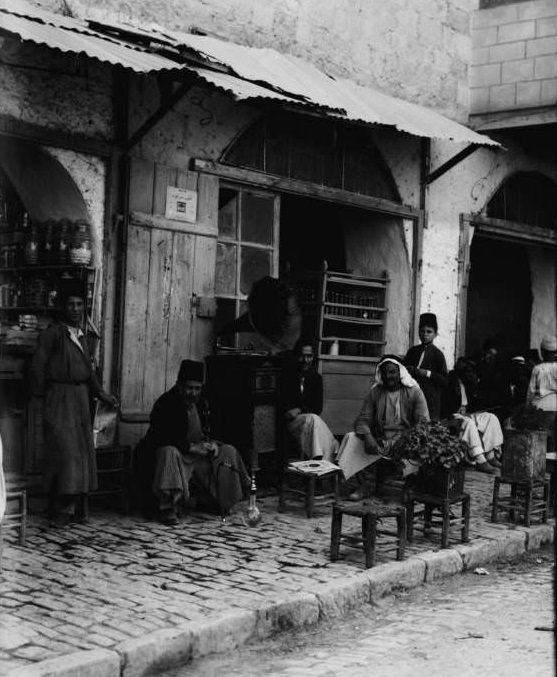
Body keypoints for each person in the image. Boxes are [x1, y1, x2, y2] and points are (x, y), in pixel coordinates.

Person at [29, 282, 117, 526]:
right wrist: (40, 397)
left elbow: (89, 374)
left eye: (79, 304)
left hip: (80, 400)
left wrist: (102, 394)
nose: (75, 309)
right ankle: (61, 507)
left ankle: (78, 507)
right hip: (59, 397)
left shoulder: (84, 337)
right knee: (65, 453)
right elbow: (37, 366)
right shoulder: (53, 334)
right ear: (62, 306)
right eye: (70, 304)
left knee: (81, 454)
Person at [134, 360, 250, 525]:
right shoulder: (165, 403)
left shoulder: (203, 403)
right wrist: (192, 447)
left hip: (196, 456)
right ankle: (168, 507)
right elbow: (161, 437)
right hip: (174, 456)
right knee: (169, 452)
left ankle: (219, 501)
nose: (193, 393)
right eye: (189, 388)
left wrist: (212, 444)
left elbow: (212, 430)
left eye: (197, 389)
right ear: (179, 385)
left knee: (227, 451)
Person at [337, 355, 429, 498]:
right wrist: (368, 437)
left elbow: (422, 423)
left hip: (404, 441)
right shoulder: (375, 392)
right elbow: (363, 419)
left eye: (392, 372)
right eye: (385, 372)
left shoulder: (415, 392)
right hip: (380, 441)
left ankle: (410, 487)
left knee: (422, 444)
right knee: (351, 438)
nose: (388, 376)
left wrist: (402, 439)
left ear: (400, 372)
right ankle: (365, 486)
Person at [281, 341, 338, 462]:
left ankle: (317, 458)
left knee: (312, 419)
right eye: (302, 356)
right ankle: (331, 449)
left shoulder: (316, 378)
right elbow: (280, 401)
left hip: (308, 422)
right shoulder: (286, 376)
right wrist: (289, 411)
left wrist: (300, 409)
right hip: (291, 422)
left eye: (309, 356)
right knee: (314, 420)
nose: (305, 360)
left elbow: (317, 407)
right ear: (296, 356)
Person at [444, 357, 503, 473]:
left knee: (491, 417)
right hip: (452, 416)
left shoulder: (468, 384)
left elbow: (472, 404)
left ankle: (490, 455)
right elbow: (448, 408)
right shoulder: (451, 382)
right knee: (469, 423)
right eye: (469, 372)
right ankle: (480, 460)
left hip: (465, 414)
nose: (472, 375)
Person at [404, 312, 448, 420]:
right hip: (411, 395)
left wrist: (427, 373)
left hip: (430, 397)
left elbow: (444, 380)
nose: (425, 334)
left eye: (429, 332)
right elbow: (403, 370)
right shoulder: (412, 351)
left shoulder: (438, 354)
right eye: (422, 331)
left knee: (427, 426)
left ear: (435, 334)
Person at [527, 336, 557, 446]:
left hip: (541, 408)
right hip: (555, 406)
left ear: (542, 352)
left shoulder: (538, 369)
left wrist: (528, 407)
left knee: (541, 440)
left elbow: (531, 391)